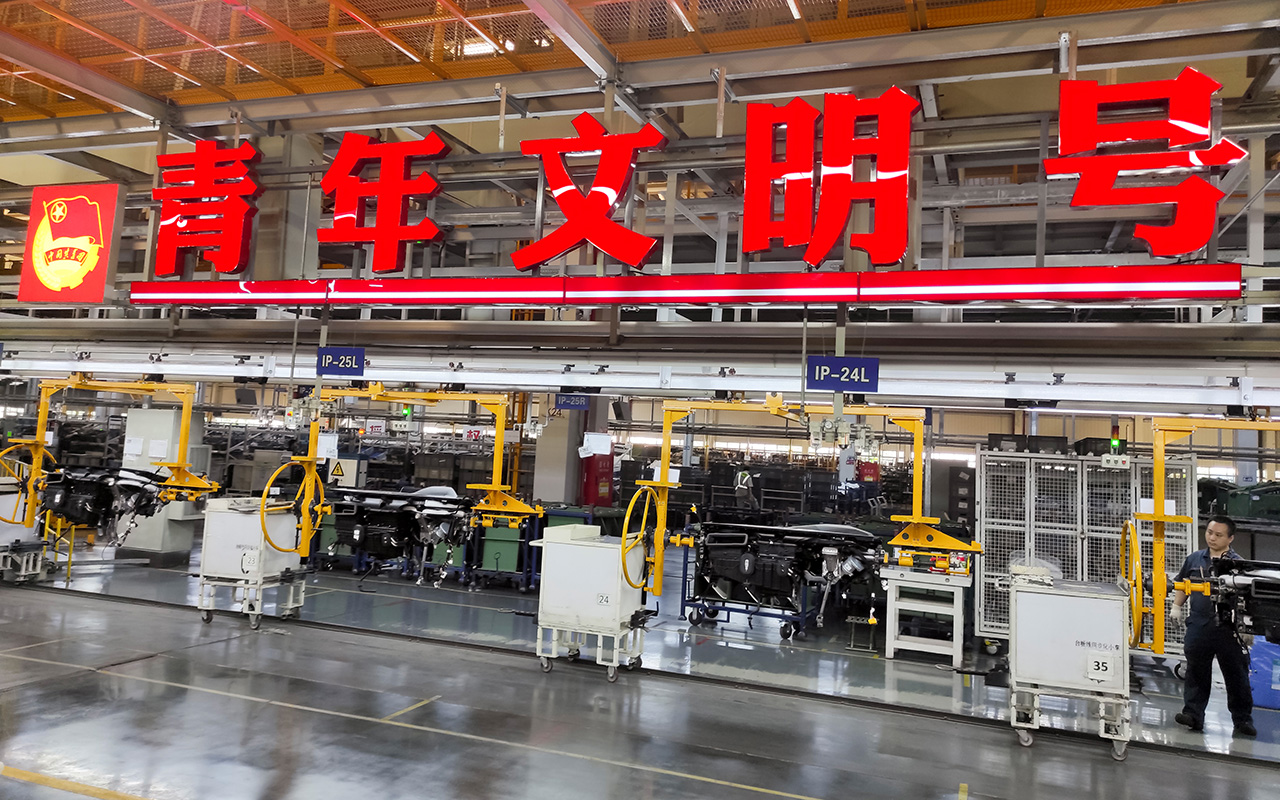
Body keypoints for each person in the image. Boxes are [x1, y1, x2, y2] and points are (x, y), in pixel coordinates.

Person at [1171, 514, 1255, 737]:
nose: (1212, 538)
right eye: (1209, 533)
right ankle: (1193, 715)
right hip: (1199, 625)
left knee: (1236, 675)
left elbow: (1248, 598)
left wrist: (1247, 626)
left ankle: (1242, 720)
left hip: (1229, 628)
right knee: (1196, 672)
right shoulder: (1194, 560)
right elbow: (1183, 584)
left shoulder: (1238, 565)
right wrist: (1176, 607)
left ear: (1230, 538)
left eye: (1218, 535)